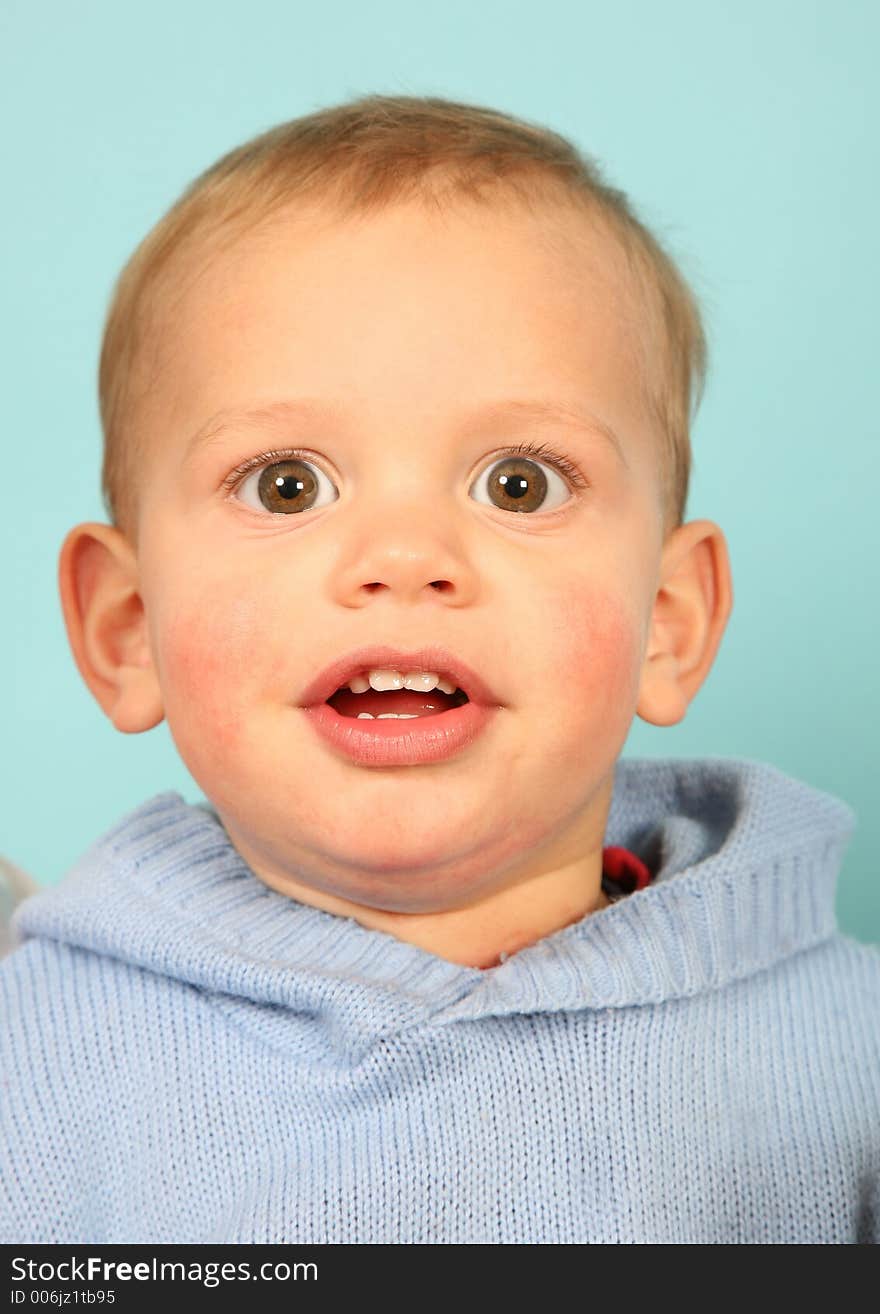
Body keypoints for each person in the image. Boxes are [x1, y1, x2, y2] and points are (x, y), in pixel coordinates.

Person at [2, 94, 877, 1244]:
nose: (406, 558)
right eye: (286, 485)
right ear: (125, 627)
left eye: (519, 483)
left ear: (665, 621)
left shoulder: (846, 1068)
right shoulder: (31, 1063)